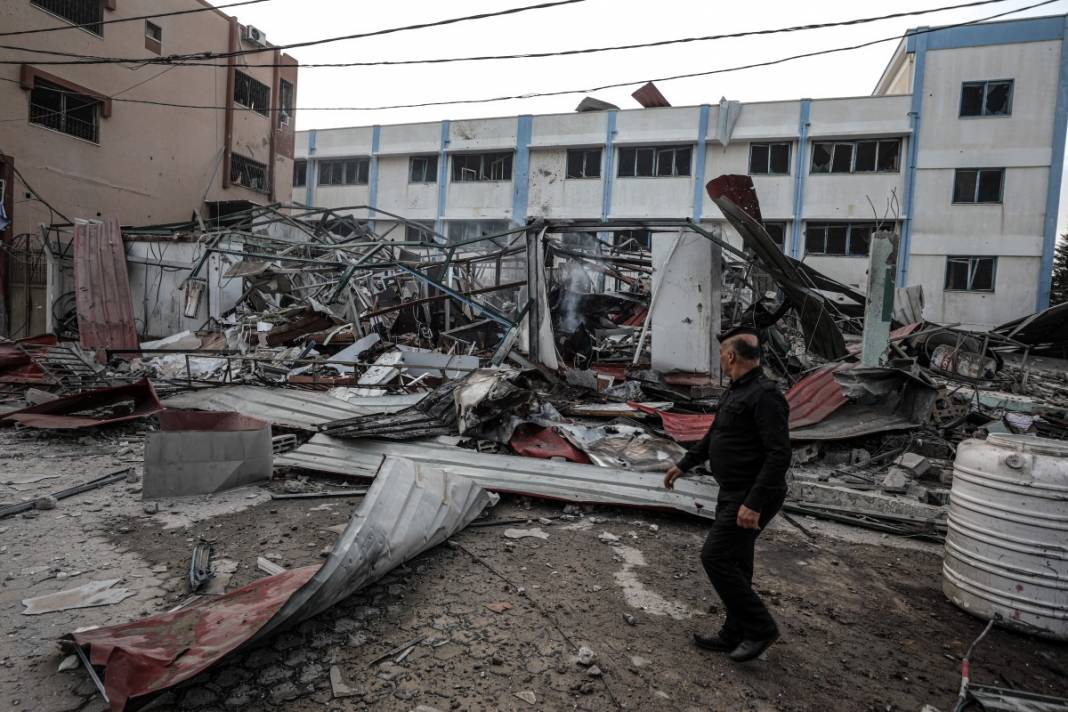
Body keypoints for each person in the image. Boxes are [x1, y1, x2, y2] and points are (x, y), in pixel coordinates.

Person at [663, 326, 790, 663]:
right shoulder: (736, 391)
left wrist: (753, 503)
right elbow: (715, 434)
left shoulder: (766, 396)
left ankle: (761, 628)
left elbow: (779, 454)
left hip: (750, 494)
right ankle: (734, 633)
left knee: (715, 557)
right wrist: (685, 464)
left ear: (731, 355)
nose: (720, 360)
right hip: (732, 489)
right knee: (737, 562)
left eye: (722, 354)